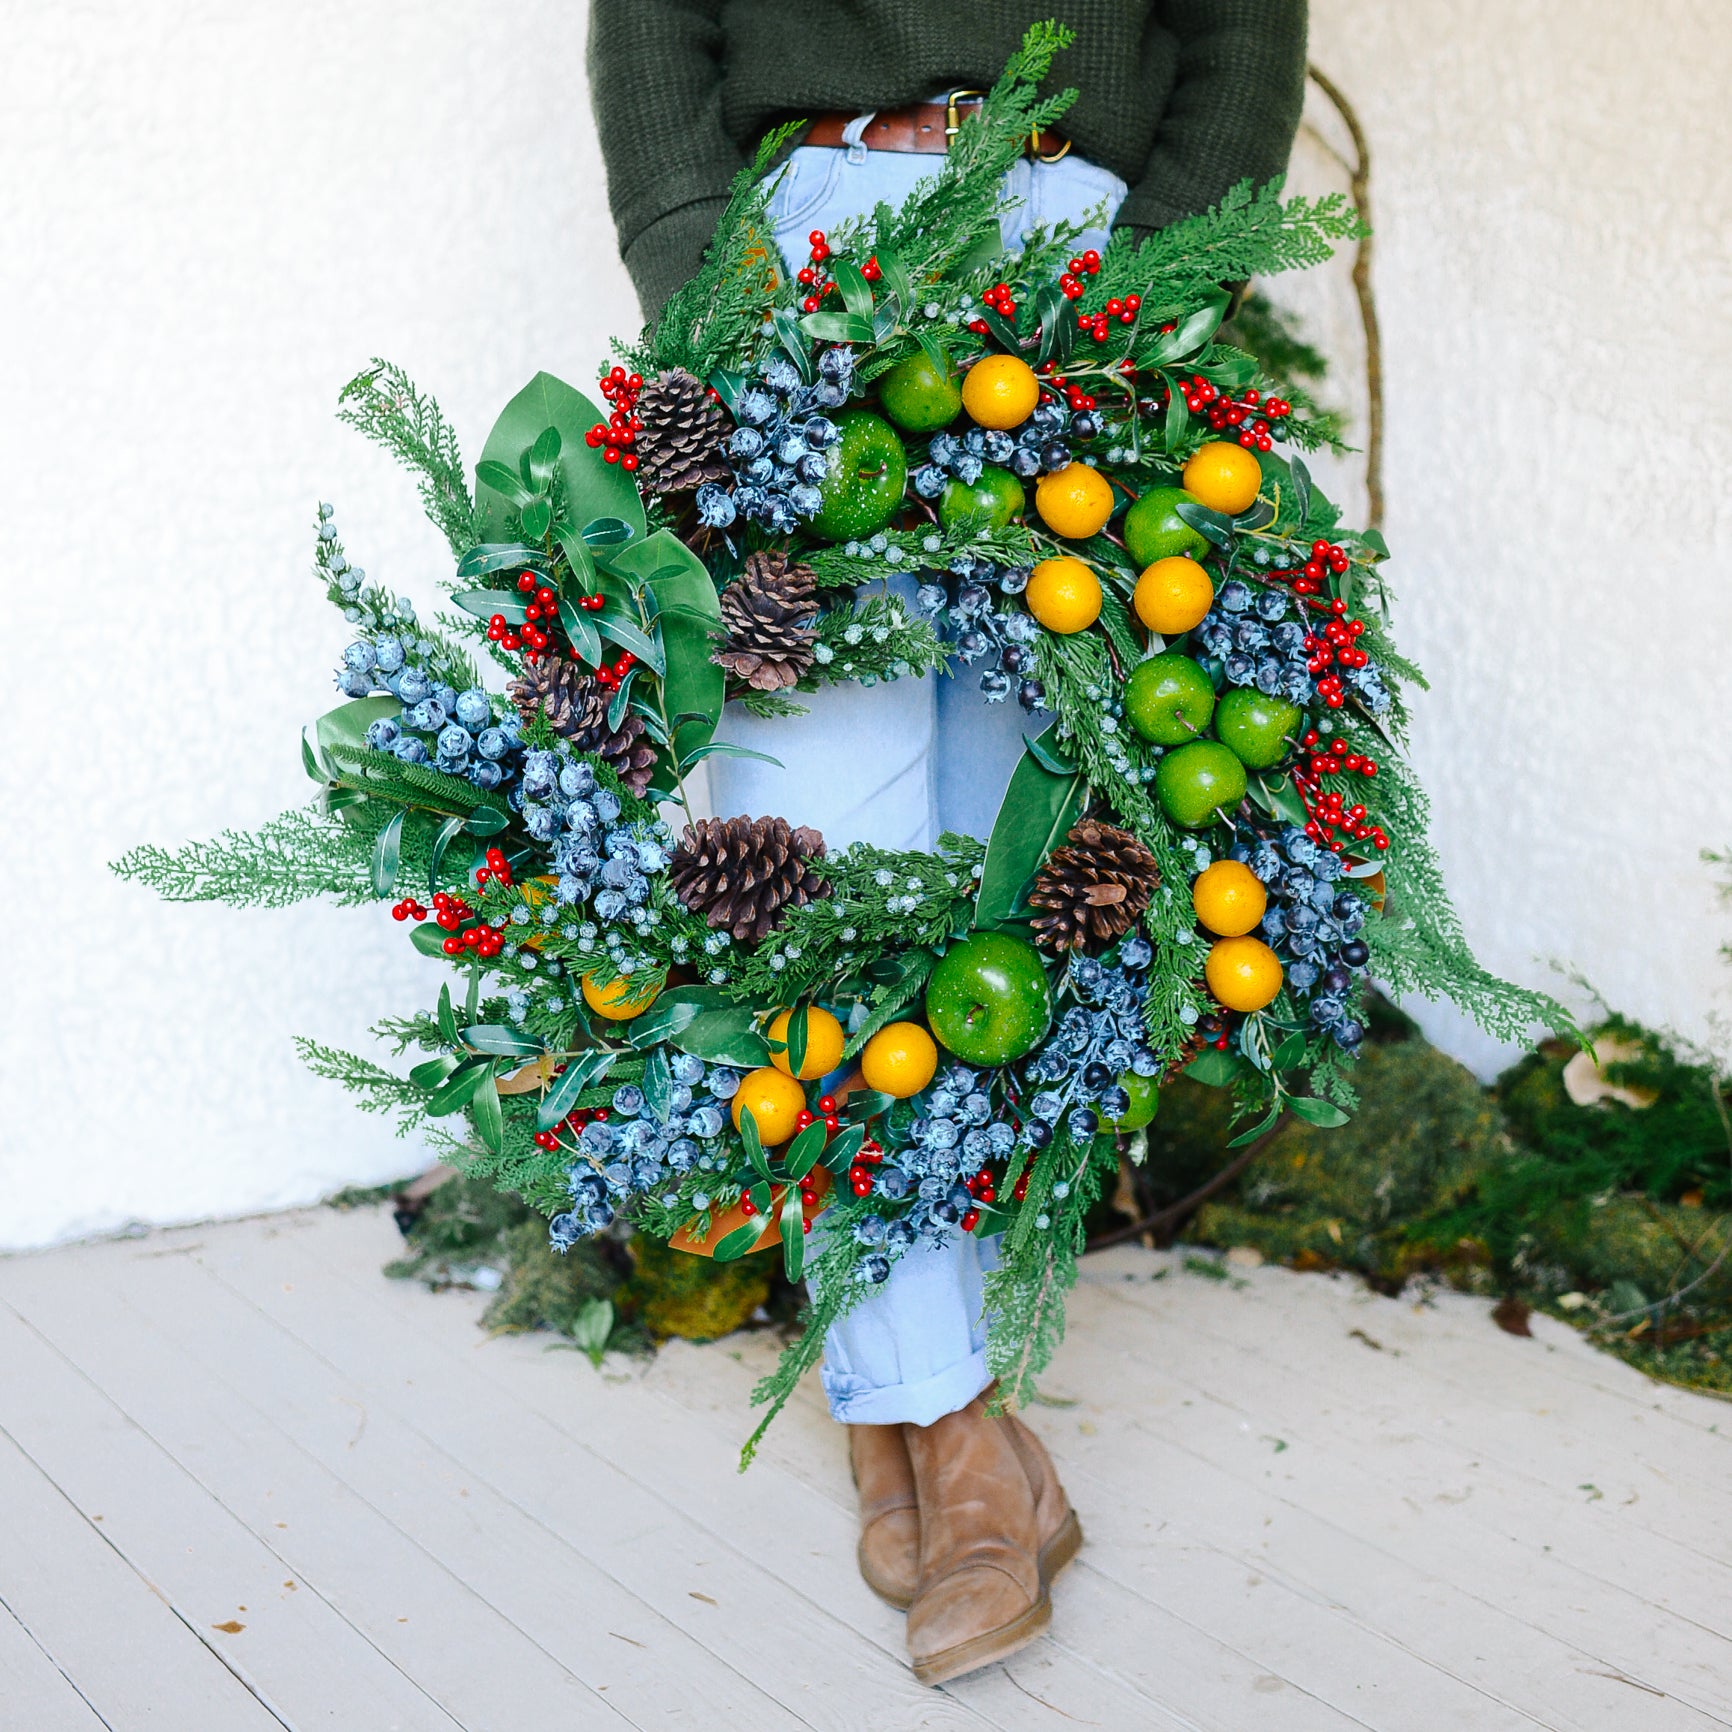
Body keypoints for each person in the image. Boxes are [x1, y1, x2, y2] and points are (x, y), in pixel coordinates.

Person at [587, 1, 1309, 1684]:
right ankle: (962, 1438)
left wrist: (1161, 283)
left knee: (1011, 884)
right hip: (809, 254)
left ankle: (897, 1414)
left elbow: (1240, 29)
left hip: (1078, 267)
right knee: (818, 886)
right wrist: (705, 272)